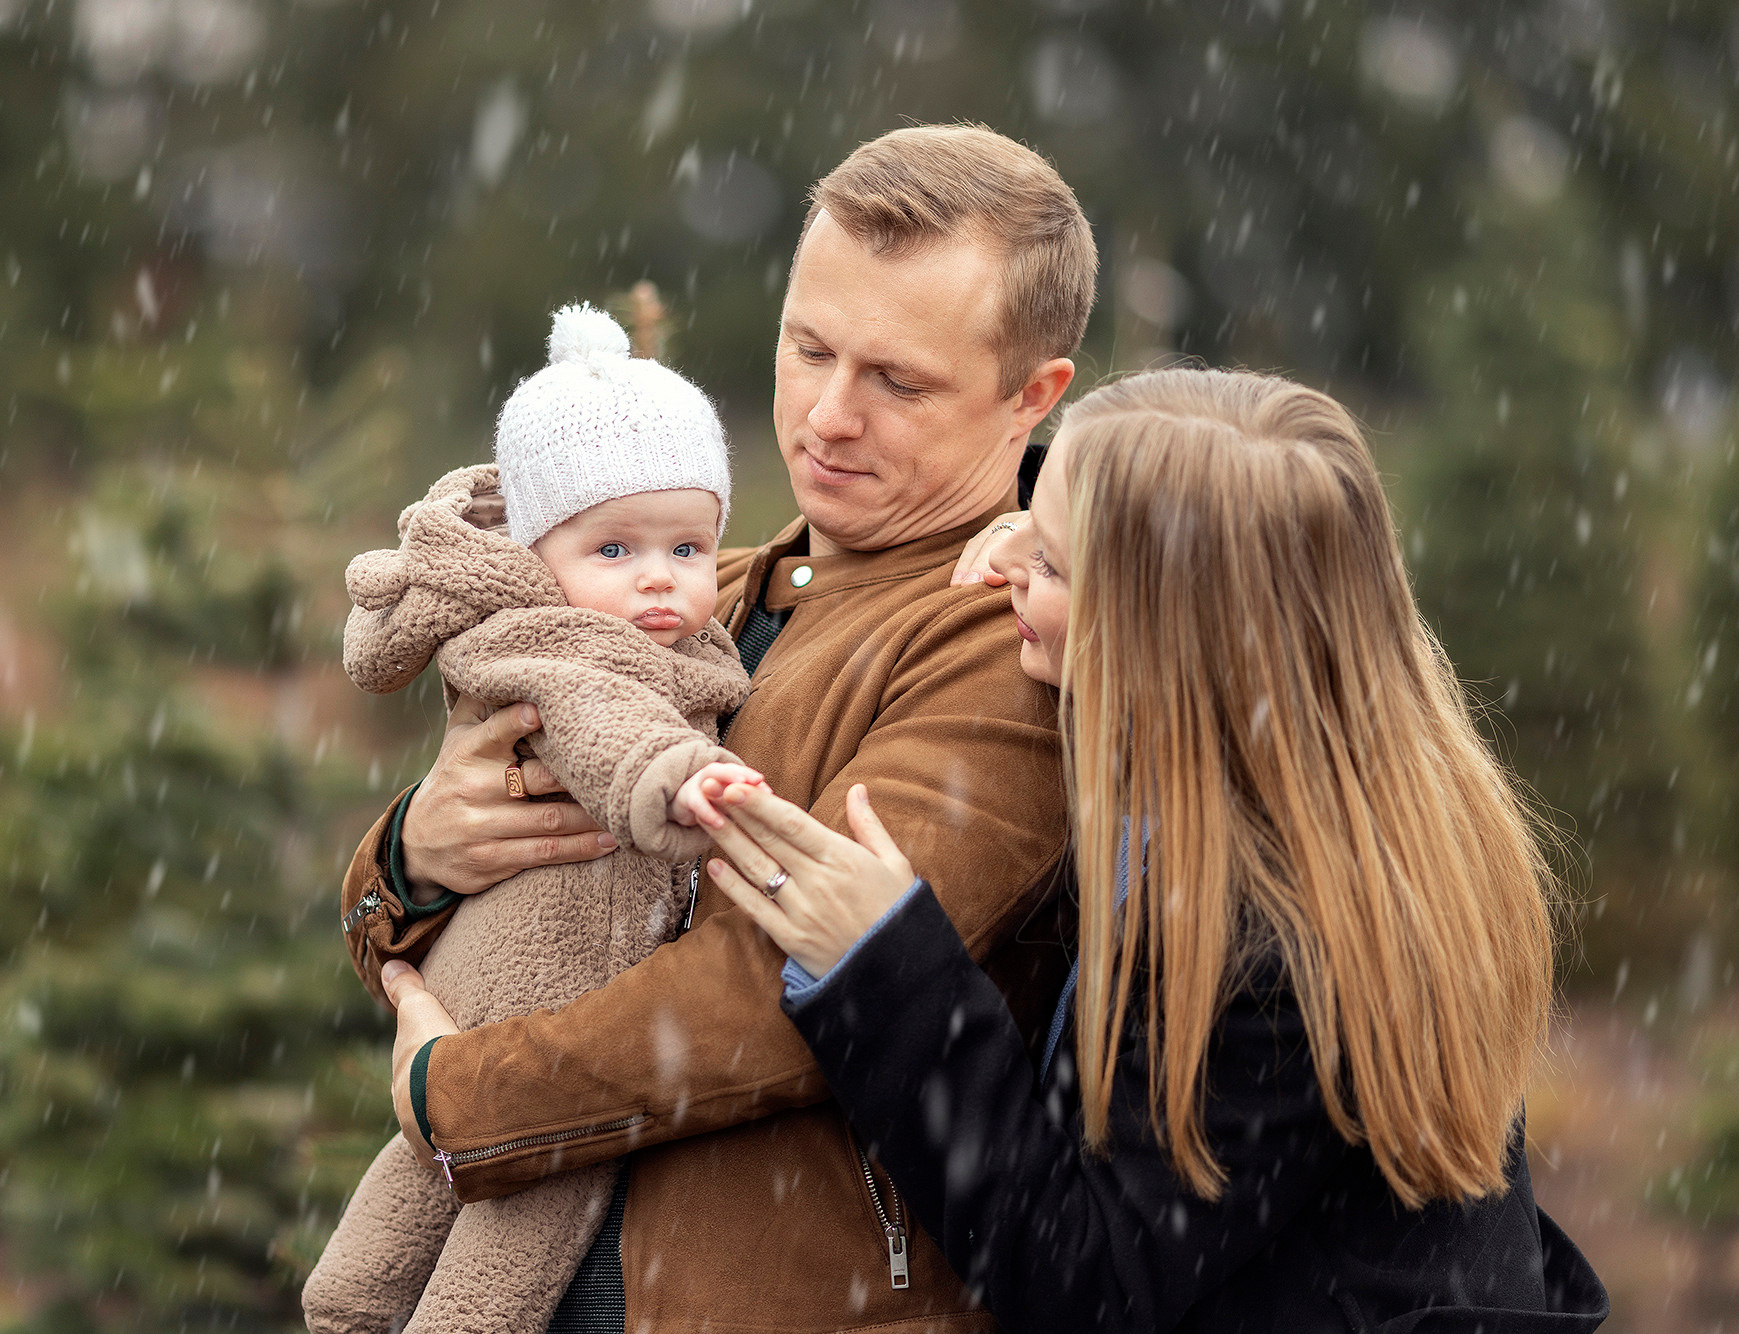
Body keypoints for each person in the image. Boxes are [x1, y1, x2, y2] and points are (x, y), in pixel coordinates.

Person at [666, 367, 1611, 1332]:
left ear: (1163, 637)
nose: (1007, 566)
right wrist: (1040, 524)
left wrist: (890, 972)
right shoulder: (1296, 778)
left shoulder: (1282, 953)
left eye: (1058, 564)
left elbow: (1086, 1281)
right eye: (1033, 516)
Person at [345, 125, 1093, 1331]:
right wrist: (413, 855)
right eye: (807, 347)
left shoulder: (1005, 637)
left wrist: (460, 1095)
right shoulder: (691, 583)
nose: (827, 416)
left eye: (896, 380)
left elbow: (787, 985)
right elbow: (462, 908)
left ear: (1033, 393)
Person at [307, 304, 761, 1334]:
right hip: (553, 987)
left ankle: (348, 1298)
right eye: (614, 546)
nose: (659, 575)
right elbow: (602, 721)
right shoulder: (551, 641)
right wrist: (674, 779)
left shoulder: (663, 621)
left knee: (423, 1167)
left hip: (513, 992)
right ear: (537, 548)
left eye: (689, 545)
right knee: (528, 1203)